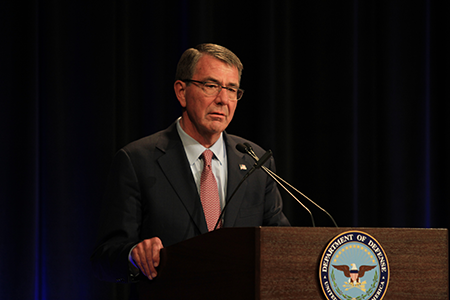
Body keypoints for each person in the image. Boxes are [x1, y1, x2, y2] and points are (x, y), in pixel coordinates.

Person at [91, 43, 290, 287]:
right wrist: (133, 255)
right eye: (211, 86)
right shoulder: (137, 160)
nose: (222, 100)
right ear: (181, 92)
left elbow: (282, 245)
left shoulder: (256, 161)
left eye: (231, 89)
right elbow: (104, 258)